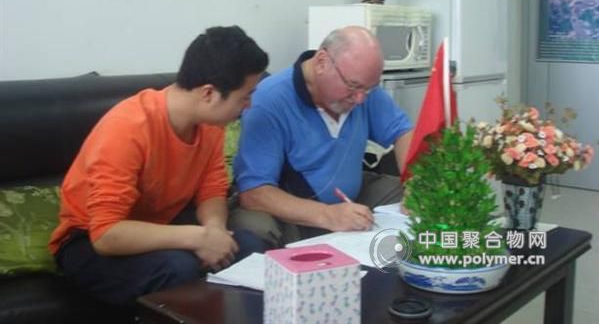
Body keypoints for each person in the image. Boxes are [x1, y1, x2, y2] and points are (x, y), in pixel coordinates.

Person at [49, 26, 269, 306]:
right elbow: (106, 234)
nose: (248, 106)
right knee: (177, 268)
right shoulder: (128, 128)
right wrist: (197, 237)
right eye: (244, 97)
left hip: (159, 225)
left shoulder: (210, 124)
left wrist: (214, 231)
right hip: (89, 242)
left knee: (247, 247)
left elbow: (212, 189)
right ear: (209, 93)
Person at [229, 26, 413, 248]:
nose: (360, 99)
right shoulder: (268, 100)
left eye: (368, 89)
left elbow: (403, 132)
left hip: (352, 197)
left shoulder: (362, 90)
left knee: (428, 197)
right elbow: (254, 193)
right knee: (254, 227)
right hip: (293, 208)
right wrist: (328, 215)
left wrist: (415, 184)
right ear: (322, 62)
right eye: (352, 86)